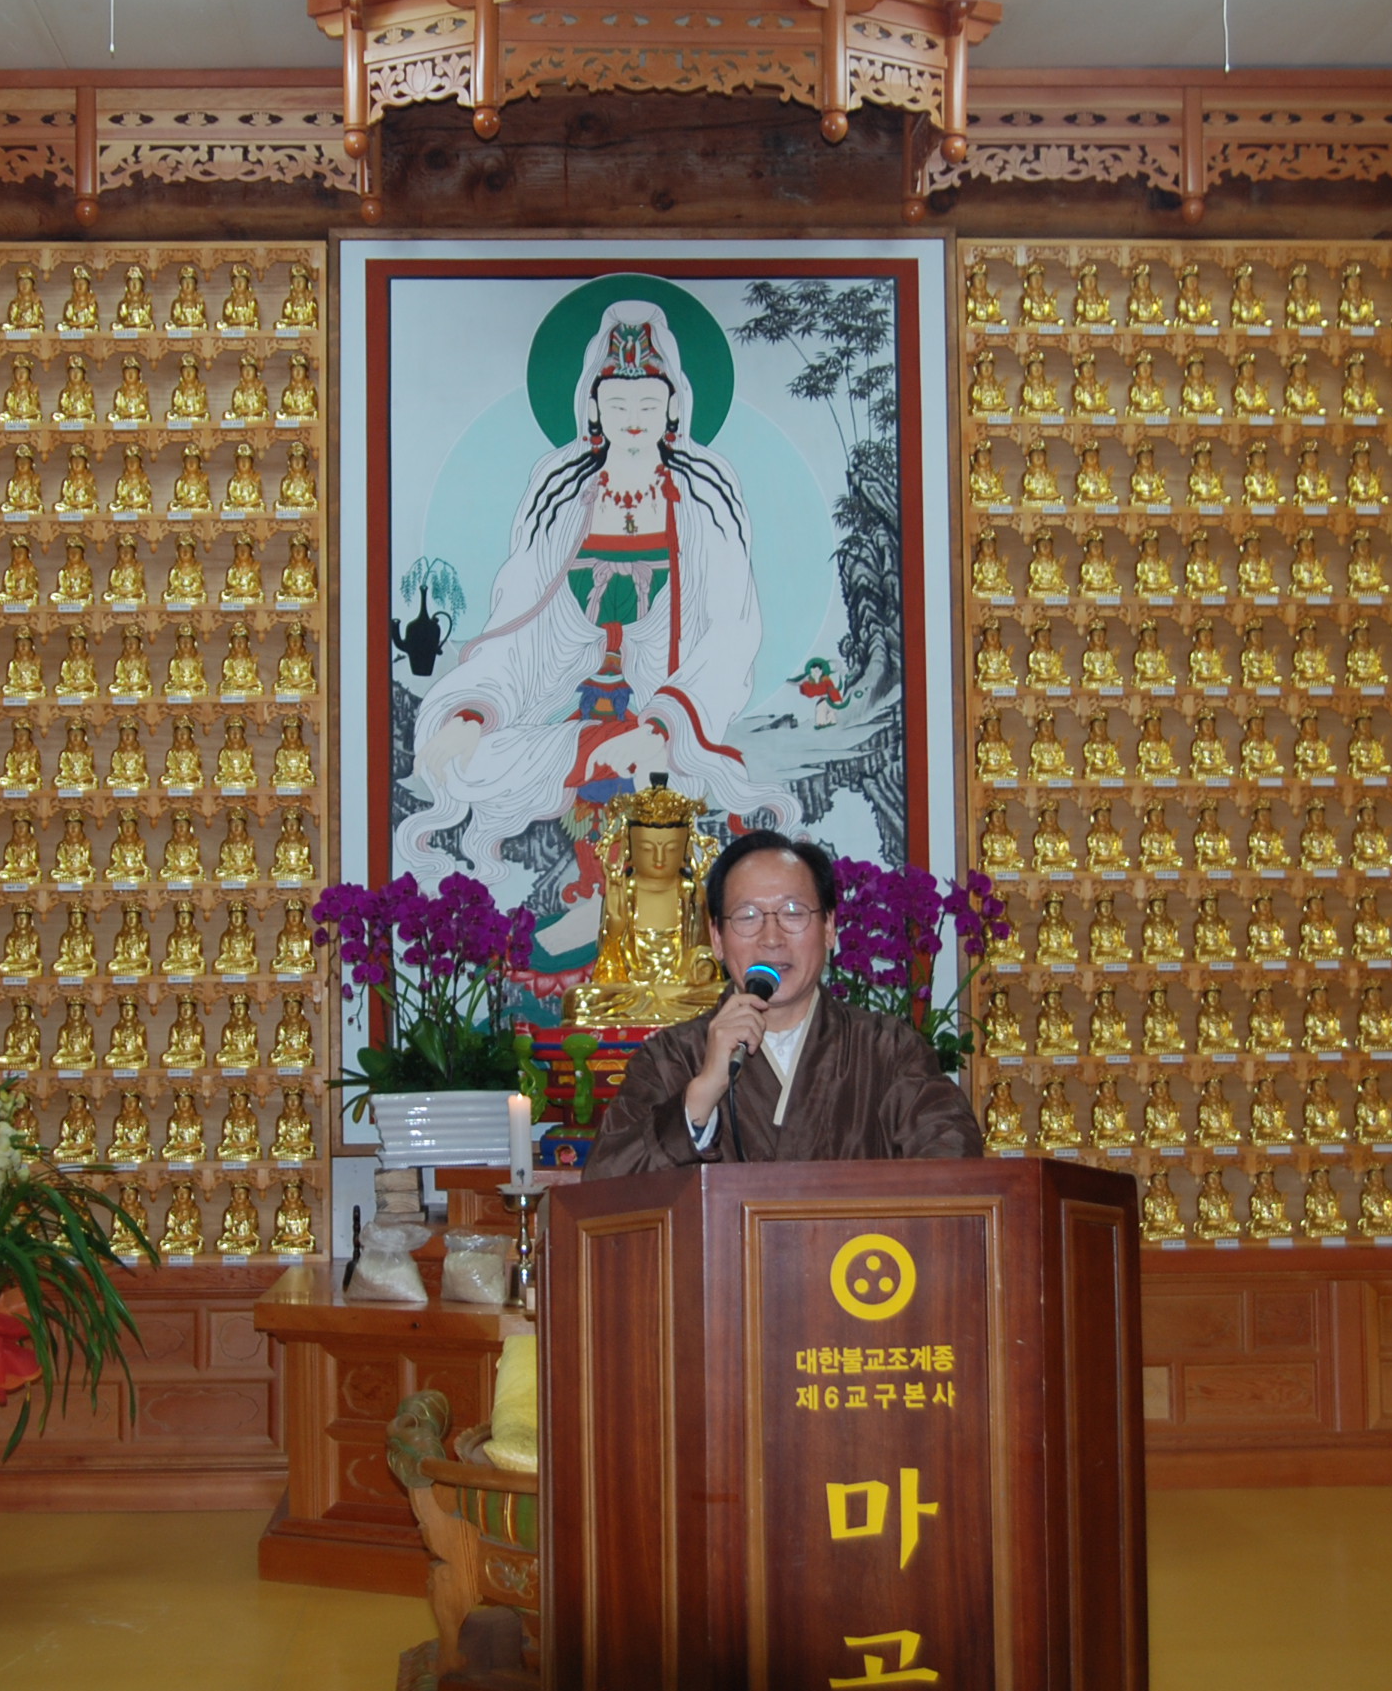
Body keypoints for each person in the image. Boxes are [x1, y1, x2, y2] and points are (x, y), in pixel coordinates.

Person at [396, 301, 799, 885]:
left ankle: (628, 873)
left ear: (673, 409)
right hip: (561, 711)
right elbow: (519, 629)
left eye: (648, 403)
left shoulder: (703, 501)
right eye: (617, 404)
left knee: (655, 771)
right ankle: (587, 868)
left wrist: (661, 725)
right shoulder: (560, 498)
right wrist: (473, 711)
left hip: (671, 713)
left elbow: (730, 632)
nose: (633, 417)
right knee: (465, 756)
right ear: (593, 409)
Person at [585, 832, 983, 1176]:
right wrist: (701, 1095)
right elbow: (605, 1184)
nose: (772, 938)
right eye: (748, 916)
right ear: (717, 938)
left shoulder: (887, 1051)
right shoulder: (668, 1059)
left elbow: (954, 1161)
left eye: (793, 912)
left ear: (829, 927)